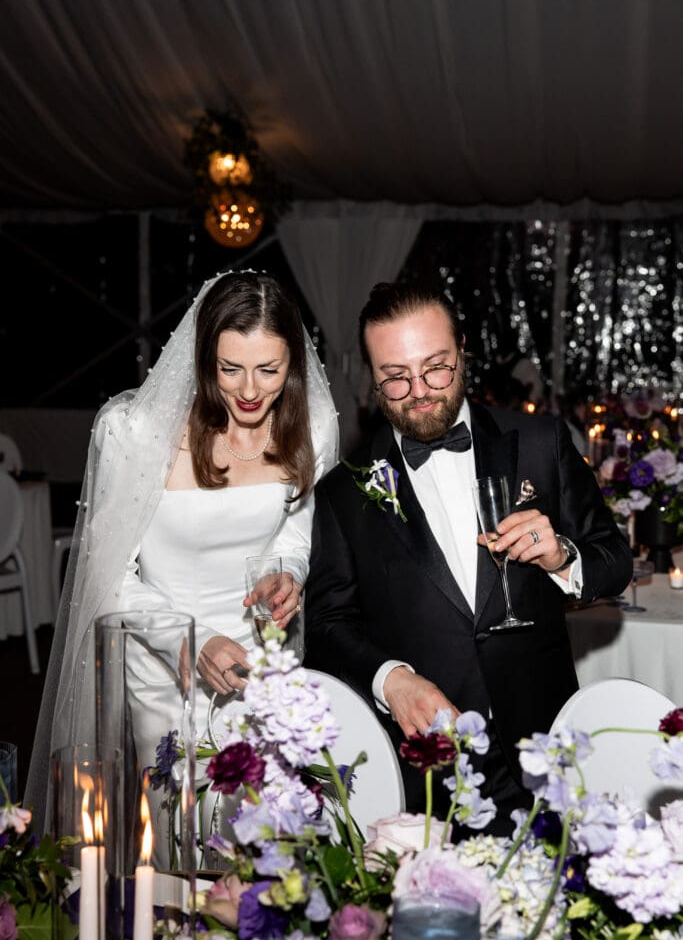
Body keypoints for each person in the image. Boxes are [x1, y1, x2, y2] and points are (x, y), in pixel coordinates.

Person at [303, 281, 632, 834]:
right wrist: (390, 679)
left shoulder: (540, 441)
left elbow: (614, 560)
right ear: (371, 380)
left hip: (544, 747)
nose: (420, 391)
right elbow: (327, 623)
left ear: (463, 352)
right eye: (396, 377)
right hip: (428, 768)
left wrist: (562, 558)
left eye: (437, 367)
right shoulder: (344, 490)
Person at [26, 270, 339, 834]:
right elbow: (110, 577)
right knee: (172, 845)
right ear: (202, 361)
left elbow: (295, 536)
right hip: (162, 668)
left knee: (258, 844)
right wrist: (189, 641)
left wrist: (286, 574)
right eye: (230, 369)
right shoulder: (132, 433)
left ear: (294, 364)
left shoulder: (313, 428)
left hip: (261, 667)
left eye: (270, 370)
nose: (249, 391)